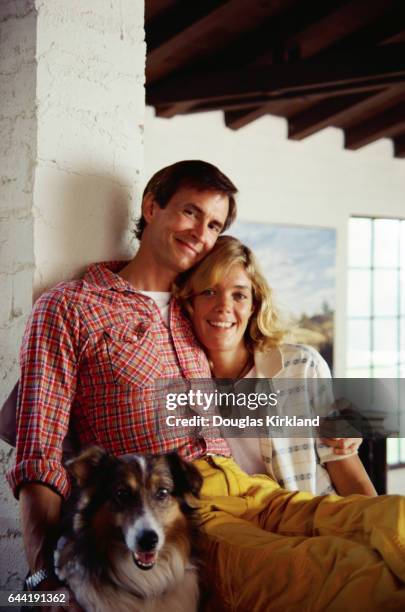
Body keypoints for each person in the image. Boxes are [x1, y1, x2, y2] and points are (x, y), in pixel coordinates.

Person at [7, 161, 374, 611]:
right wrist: (42, 576)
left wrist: (338, 423)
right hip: (181, 507)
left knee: (387, 522)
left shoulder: (194, 307)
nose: (202, 232)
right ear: (151, 206)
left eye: (214, 223)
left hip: (251, 490)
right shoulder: (71, 306)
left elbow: (258, 365)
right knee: (349, 572)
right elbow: (36, 450)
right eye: (191, 212)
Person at [175, 235, 376, 497]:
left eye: (239, 295)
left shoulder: (301, 368)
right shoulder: (182, 388)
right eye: (209, 292)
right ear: (189, 303)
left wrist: (379, 529)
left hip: (321, 525)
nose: (224, 306)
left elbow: (349, 474)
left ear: (253, 306)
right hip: (248, 534)